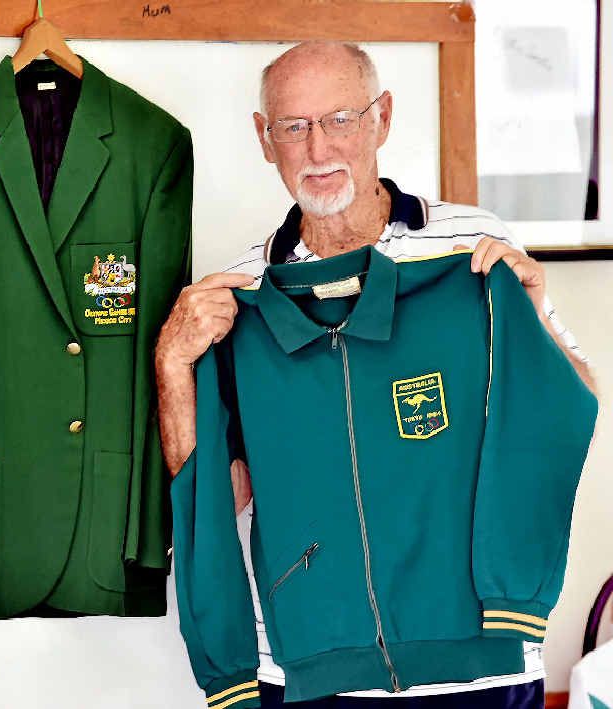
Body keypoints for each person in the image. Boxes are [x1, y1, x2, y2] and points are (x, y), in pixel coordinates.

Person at [156, 40, 596, 709]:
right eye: (294, 127)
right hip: (308, 667)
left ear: (381, 118)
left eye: (341, 119)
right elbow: (217, 497)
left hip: (479, 661)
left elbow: (568, 407)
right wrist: (172, 364)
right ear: (264, 139)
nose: (319, 148)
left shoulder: (473, 253)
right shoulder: (237, 295)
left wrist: (528, 311)